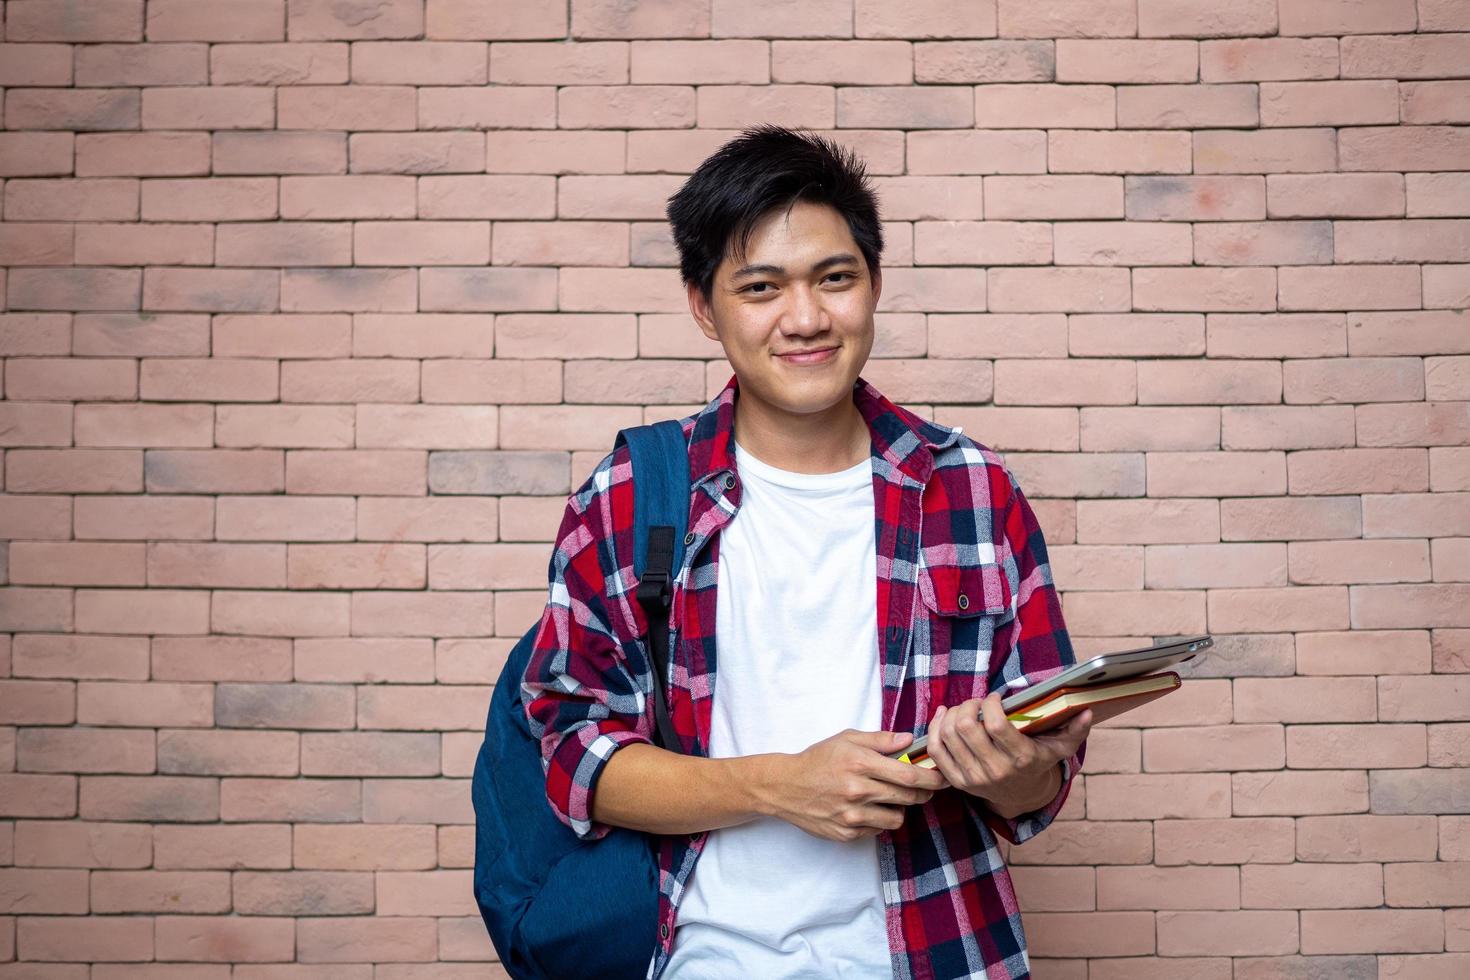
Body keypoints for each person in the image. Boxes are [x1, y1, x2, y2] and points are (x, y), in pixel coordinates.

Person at [521, 125, 1092, 980]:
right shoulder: (634, 494)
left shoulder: (972, 489)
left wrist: (1011, 770)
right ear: (704, 305)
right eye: (761, 287)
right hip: (707, 957)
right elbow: (574, 753)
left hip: (944, 954)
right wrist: (778, 783)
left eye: (836, 278)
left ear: (874, 284)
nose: (807, 318)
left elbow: (1038, 790)